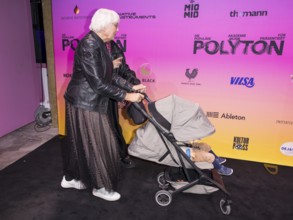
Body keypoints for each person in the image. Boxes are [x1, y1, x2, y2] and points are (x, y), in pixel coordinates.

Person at [60, 8, 146, 202]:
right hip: (85, 101)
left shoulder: (103, 43)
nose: (117, 29)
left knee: (80, 142)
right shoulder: (89, 45)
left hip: (91, 100)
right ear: (105, 26)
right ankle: (100, 187)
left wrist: (132, 86)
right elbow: (98, 83)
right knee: (99, 143)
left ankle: (71, 178)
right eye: (116, 25)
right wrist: (127, 95)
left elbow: (113, 74)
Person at [106, 40, 141, 168]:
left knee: (114, 126)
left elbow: (124, 69)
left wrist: (134, 83)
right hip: (94, 97)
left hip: (111, 94)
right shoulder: (91, 46)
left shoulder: (113, 46)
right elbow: (96, 73)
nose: (116, 30)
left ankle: (122, 155)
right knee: (97, 131)